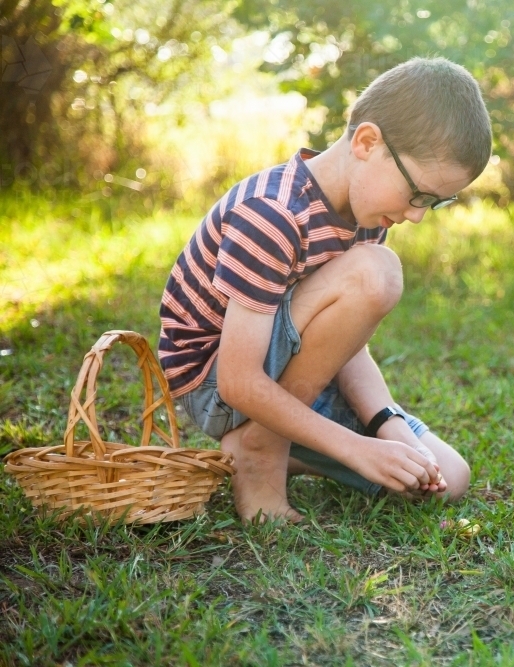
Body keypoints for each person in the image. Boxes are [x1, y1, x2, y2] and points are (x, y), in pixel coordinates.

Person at [157, 57, 492, 522]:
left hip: (290, 376)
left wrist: (385, 423)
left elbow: (344, 343)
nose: (417, 215)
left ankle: (257, 446)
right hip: (218, 385)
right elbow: (237, 381)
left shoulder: (366, 214)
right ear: (367, 142)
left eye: (434, 204)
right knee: (377, 273)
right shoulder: (273, 214)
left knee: (444, 478)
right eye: (417, 195)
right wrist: (355, 448)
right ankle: (260, 450)